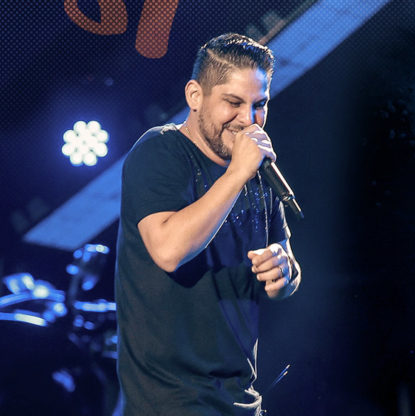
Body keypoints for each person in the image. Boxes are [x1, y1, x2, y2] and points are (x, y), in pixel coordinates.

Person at [115, 33, 301, 415]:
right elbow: (168, 251)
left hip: (241, 399)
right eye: (233, 103)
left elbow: (288, 266)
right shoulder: (160, 151)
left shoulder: (257, 173)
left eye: (260, 104)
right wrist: (237, 174)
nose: (248, 120)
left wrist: (283, 274)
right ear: (195, 96)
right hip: (170, 403)